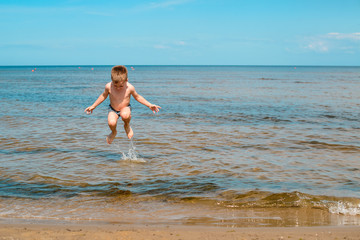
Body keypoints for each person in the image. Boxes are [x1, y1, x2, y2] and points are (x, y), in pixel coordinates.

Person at [84, 65, 161, 144]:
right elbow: (103, 96)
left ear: (126, 80)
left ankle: (127, 125)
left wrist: (149, 105)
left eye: (121, 86)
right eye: (115, 85)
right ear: (112, 80)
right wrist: (93, 106)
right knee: (111, 123)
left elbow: (137, 97)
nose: (118, 88)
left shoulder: (130, 87)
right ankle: (113, 132)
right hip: (113, 109)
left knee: (124, 115)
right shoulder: (108, 86)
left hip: (125, 108)